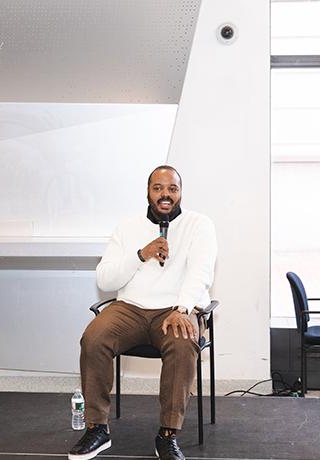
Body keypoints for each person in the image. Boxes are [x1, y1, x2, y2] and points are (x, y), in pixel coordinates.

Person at [68, 165, 217, 460]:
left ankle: (167, 434)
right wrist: (141, 254)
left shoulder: (199, 225)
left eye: (172, 189)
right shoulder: (127, 228)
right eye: (158, 188)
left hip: (176, 308)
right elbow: (105, 279)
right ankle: (97, 428)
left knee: (183, 340)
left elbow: (200, 273)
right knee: (94, 337)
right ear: (148, 192)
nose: (165, 195)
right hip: (131, 309)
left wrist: (184, 309)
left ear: (180, 193)